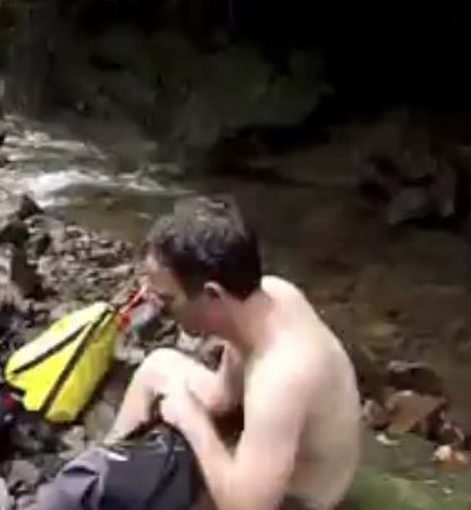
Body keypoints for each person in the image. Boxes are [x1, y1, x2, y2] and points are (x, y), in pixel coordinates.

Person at [107, 197, 362, 510]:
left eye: (166, 298)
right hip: (271, 468)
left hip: (294, 502)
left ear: (213, 294)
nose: (153, 304)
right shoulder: (268, 295)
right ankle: (104, 466)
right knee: (157, 366)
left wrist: (193, 421)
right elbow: (225, 395)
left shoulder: (282, 375)